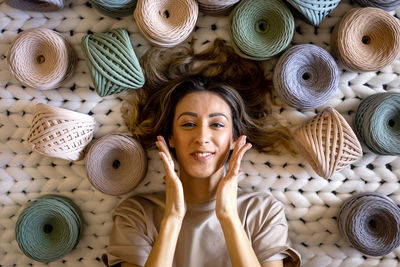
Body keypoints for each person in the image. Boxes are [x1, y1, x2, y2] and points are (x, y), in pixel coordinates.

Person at [103, 39, 301, 267]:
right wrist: (173, 217)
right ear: (171, 138)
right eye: (188, 124)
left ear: (234, 139)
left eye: (217, 125)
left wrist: (228, 215)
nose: (202, 137)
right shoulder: (137, 214)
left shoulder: (263, 212)